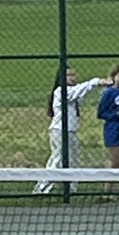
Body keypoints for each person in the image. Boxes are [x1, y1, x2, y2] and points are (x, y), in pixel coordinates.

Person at [33, 66, 112, 195]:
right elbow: (76, 92)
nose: (72, 77)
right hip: (60, 130)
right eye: (69, 75)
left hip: (71, 131)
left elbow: (81, 93)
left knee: (73, 160)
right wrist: (95, 81)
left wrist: (102, 87)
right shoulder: (60, 91)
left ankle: (71, 189)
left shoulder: (74, 92)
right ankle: (42, 189)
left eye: (73, 75)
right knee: (58, 160)